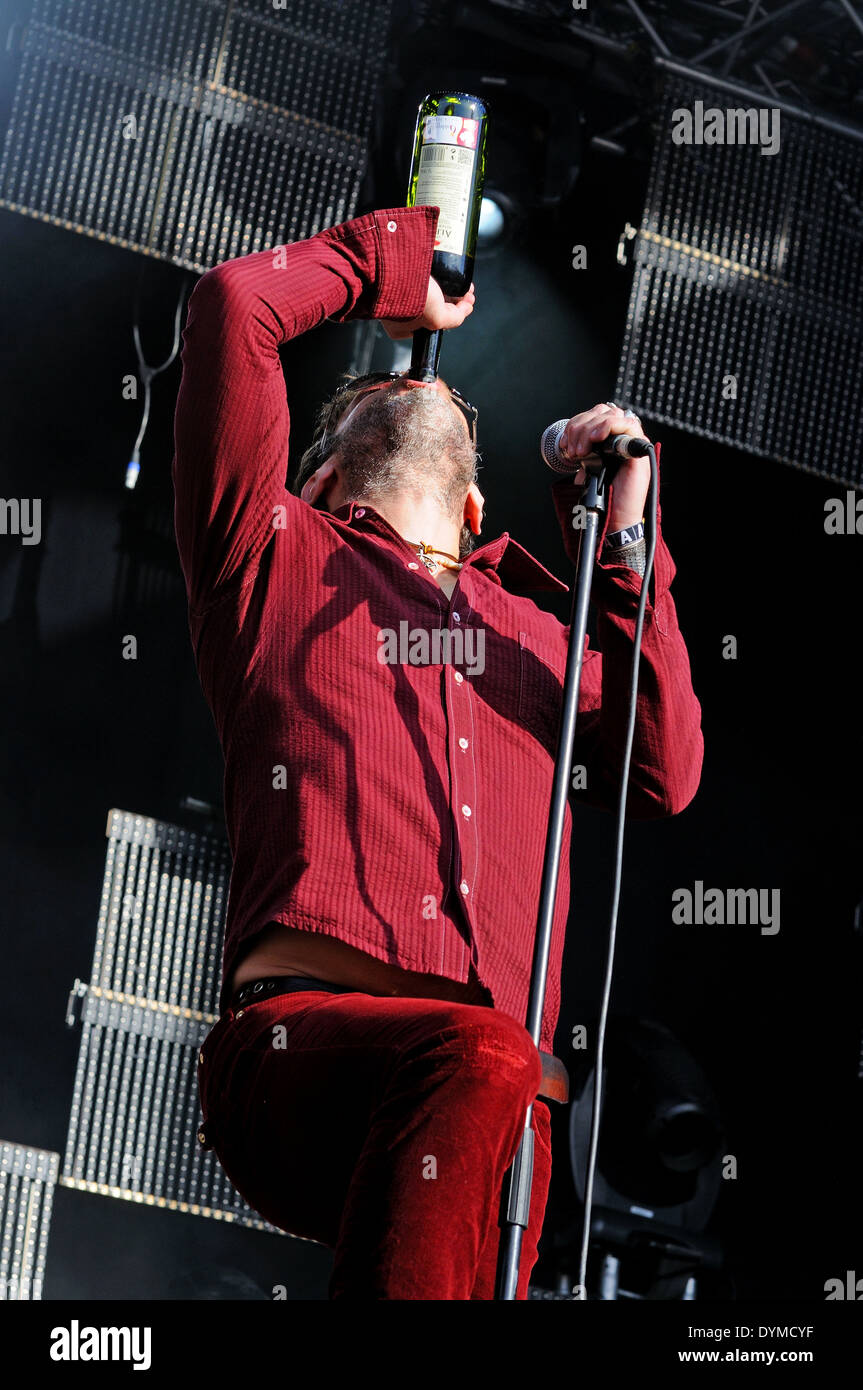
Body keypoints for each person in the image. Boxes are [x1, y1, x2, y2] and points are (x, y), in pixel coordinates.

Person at [172, 203, 704, 1300]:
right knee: (483, 1055)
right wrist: (385, 267)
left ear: (473, 504)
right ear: (315, 480)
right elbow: (233, 307)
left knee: (488, 1070)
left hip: (497, 1120)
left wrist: (619, 540)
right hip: (301, 1055)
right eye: (365, 397)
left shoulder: (534, 638)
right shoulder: (272, 555)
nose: (417, 387)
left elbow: (663, 768)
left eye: (443, 397)